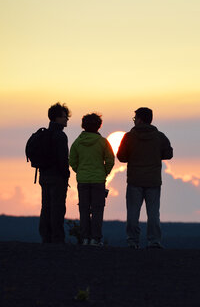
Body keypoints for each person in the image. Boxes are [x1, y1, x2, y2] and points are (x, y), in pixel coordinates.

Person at [117, 107, 173, 249]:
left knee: (133, 213)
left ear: (140, 119)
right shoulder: (159, 136)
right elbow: (169, 154)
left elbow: (121, 157)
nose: (134, 121)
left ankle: (132, 241)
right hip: (153, 181)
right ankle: (154, 241)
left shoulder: (129, 137)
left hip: (134, 180)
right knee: (153, 213)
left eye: (135, 118)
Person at [69, 113, 115, 246]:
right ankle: (95, 239)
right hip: (98, 181)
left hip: (82, 181)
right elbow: (110, 160)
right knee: (97, 210)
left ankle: (85, 239)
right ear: (99, 126)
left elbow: (72, 160)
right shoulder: (103, 142)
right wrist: (103, 173)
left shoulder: (77, 142)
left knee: (83, 210)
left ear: (83, 125)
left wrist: (80, 171)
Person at [39, 102, 71, 244]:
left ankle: (46, 237)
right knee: (57, 208)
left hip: (44, 176)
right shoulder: (61, 136)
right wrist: (66, 175)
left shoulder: (44, 134)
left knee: (46, 207)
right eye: (64, 117)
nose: (66, 119)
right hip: (57, 178)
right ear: (56, 118)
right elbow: (63, 160)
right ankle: (57, 238)